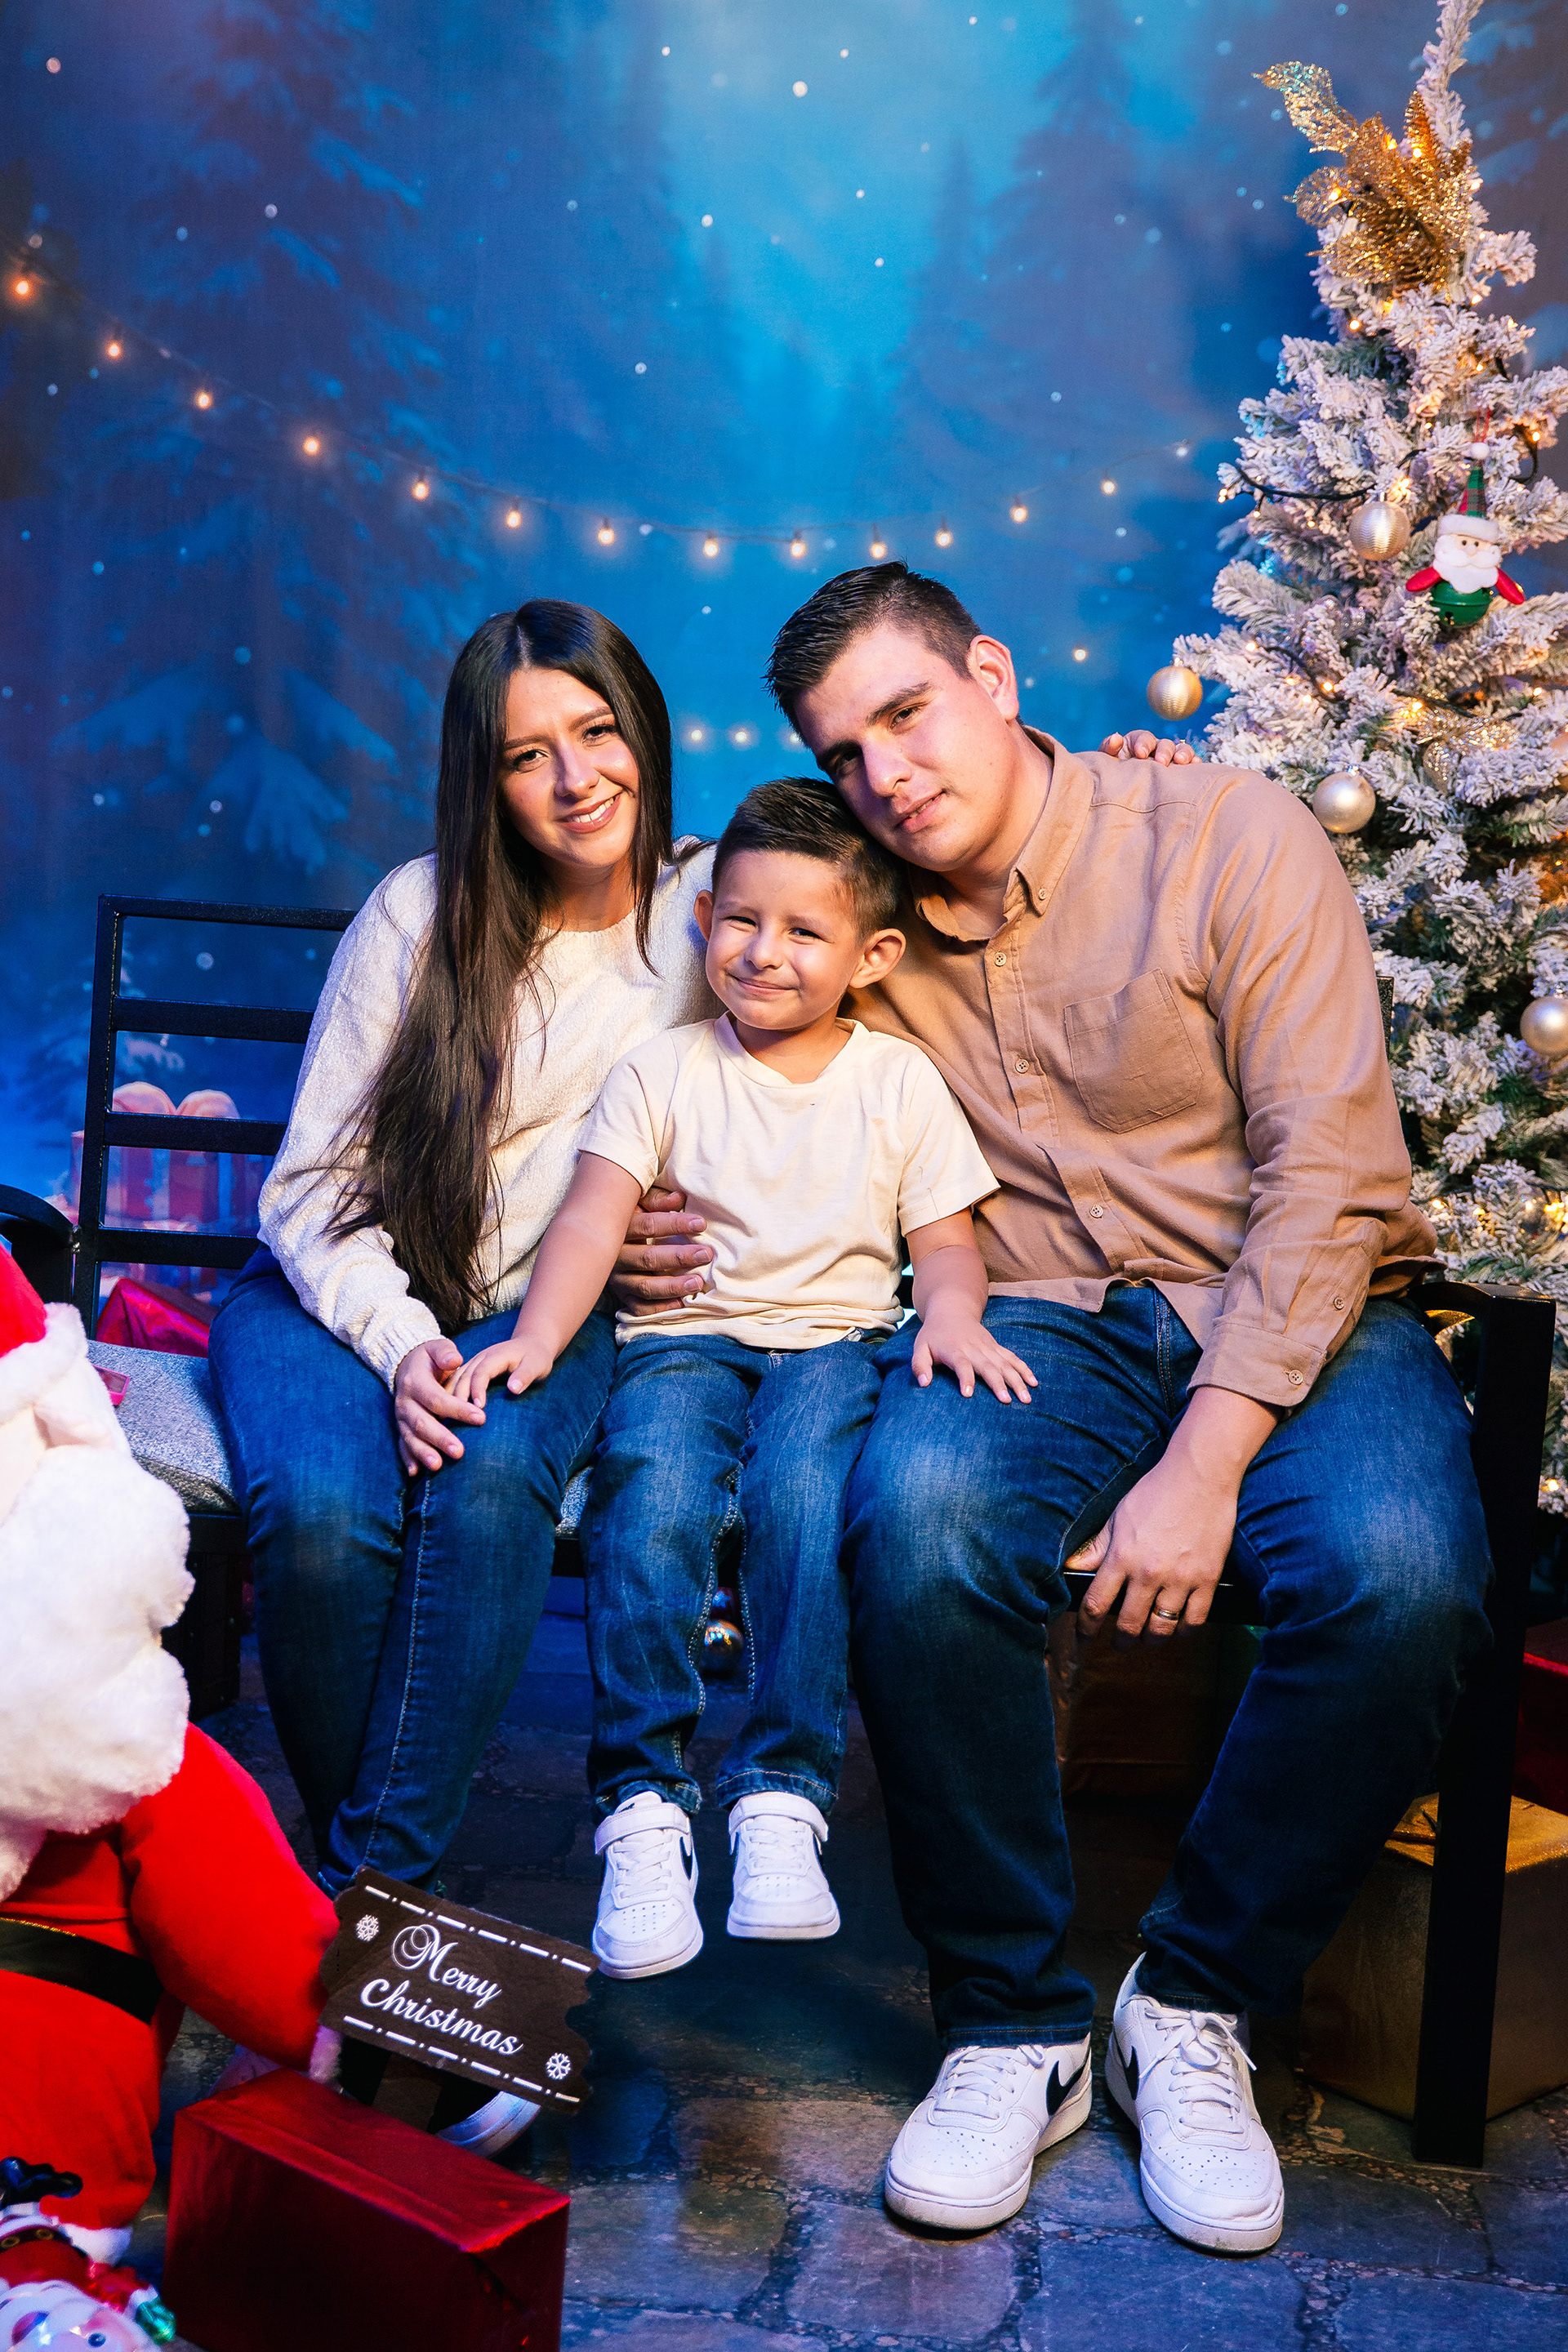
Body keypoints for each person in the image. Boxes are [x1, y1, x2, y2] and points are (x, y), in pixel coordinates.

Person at [616, 563, 1490, 2256]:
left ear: (997, 676)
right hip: (1036, 1321)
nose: (886, 774)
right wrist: (633, 1202)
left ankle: (1195, 2000)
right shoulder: (862, 914)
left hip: (1295, 1300)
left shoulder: (1228, 836)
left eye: (908, 714)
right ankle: (1012, 2021)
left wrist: (1209, 1460)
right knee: (918, 1521)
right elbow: (661, 940)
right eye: (844, 751)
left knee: (1401, 1577)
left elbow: (1330, 1172)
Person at [449, 777, 1021, 1981]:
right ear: (707, 919)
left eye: (805, 932)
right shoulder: (662, 1070)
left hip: (835, 1346)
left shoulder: (897, 1081)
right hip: (682, 1342)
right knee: (650, 1499)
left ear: (871, 958)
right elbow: (591, 1219)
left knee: (801, 1500)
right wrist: (539, 1339)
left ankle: (780, 1796)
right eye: (744, 920)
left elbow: (947, 1243)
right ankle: (641, 1806)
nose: (764, 953)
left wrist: (954, 1318)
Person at [208, 600, 715, 1898]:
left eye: (597, 732)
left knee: (486, 1480)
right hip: (334, 1291)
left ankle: (358, 1902)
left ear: (645, 729)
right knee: (322, 1517)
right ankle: (384, 1907)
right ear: (484, 780)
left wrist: (1121, 774)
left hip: (547, 1311)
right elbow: (310, 1193)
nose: (575, 779)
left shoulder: (719, 911)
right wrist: (400, 1344)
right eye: (525, 755)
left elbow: (901, 862)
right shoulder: (421, 910)